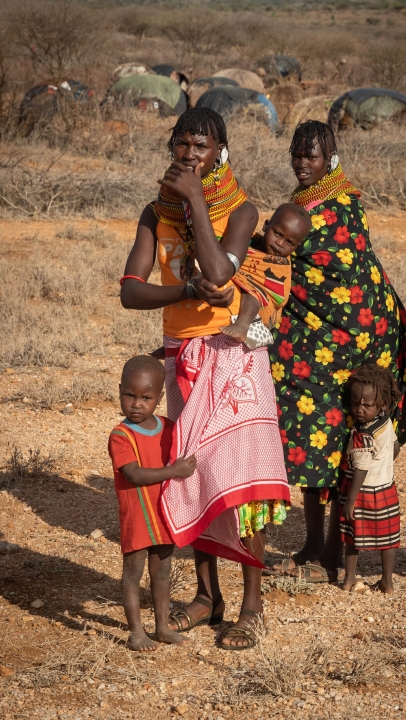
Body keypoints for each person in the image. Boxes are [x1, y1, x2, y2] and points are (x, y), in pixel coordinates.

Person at [120, 108, 290, 650]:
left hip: (235, 354)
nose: (191, 154)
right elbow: (131, 290)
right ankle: (205, 595)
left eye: (203, 145)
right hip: (181, 357)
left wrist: (196, 201)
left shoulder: (242, 209)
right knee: (193, 475)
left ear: (220, 151)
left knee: (242, 479)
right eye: (183, 144)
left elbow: (220, 272)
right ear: (172, 146)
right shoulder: (154, 214)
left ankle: (252, 604)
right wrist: (183, 293)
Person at [271, 120, 406, 582]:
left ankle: (333, 551)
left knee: (346, 446)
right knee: (313, 435)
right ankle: (314, 544)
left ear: (330, 158)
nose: (301, 163)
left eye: (310, 156)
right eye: (296, 154)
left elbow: (345, 268)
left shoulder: (344, 204)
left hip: (357, 341)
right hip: (314, 344)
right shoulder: (302, 203)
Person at [108, 355, 197, 651]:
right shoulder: (121, 436)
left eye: (145, 397)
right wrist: (174, 471)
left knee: (161, 572)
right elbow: (133, 474)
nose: (136, 404)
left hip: (163, 515)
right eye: (129, 395)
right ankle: (136, 631)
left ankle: (161, 626)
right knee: (132, 574)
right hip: (137, 517)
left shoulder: (168, 428)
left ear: (158, 398)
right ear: (119, 389)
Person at [339, 364, 401, 595]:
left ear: (382, 404)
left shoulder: (361, 435)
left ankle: (349, 578)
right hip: (386, 488)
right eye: (356, 403)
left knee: (353, 537)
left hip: (363, 493)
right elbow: (395, 449)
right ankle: (387, 582)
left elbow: (361, 469)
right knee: (389, 539)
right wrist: (384, 466)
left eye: (367, 405)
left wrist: (350, 501)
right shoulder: (385, 423)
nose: (359, 409)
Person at [220, 202, 311, 349]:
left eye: (289, 242)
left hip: (261, 309)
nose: (280, 243)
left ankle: (242, 325)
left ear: (297, 247)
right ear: (266, 225)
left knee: (254, 292)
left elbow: (279, 294)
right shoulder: (248, 241)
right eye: (278, 234)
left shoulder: (280, 265)